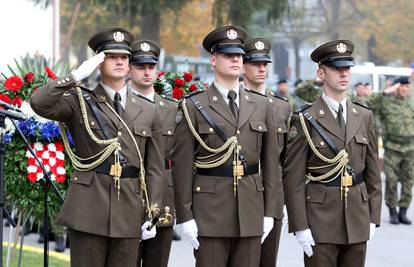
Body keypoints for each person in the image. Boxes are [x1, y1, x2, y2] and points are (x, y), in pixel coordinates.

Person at [30, 27, 165, 267]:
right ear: (98, 63)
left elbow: (154, 168)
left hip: (130, 209)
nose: (120, 62)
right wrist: (74, 76)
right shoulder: (79, 100)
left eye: (124, 57)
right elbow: (39, 103)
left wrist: (152, 212)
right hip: (89, 208)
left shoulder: (149, 109)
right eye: (112, 56)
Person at [172, 25, 280, 267]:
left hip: (251, 209)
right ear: (213, 60)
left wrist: (270, 211)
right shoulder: (194, 105)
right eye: (228, 54)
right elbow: (182, 166)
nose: (235, 59)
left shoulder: (262, 105)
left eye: (239, 55)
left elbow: (271, 164)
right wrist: (185, 216)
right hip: (210, 212)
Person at [283, 39, 382, 267]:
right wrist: (300, 226)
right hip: (320, 219)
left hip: (357, 216)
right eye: (337, 68)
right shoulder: (305, 118)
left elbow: (373, 172)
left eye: (346, 68)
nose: (343, 73)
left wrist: (373, 216)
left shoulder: (363, 115)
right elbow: (294, 178)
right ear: (321, 73)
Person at [128, 39, 177, 267]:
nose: (147, 72)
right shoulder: (119, 106)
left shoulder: (172, 108)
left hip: (164, 196)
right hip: (128, 191)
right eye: (141, 67)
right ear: (129, 68)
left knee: (157, 261)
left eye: (151, 67)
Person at [242, 37, 291, 267]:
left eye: (265, 64)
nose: (262, 69)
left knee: (268, 260)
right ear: (243, 65)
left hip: (273, 196)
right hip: (241, 192)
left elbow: (289, 160)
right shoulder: (235, 104)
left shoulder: (282, 107)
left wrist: (286, 202)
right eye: (255, 63)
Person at [366, 77, 413, 225]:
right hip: (392, 148)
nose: (404, 89)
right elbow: (370, 103)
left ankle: (403, 211)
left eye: (406, 86)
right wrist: (387, 91)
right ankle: (392, 211)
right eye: (401, 86)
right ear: (396, 88)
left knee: (408, 182)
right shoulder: (386, 103)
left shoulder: (412, 102)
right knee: (391, 181)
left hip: (410, 148)